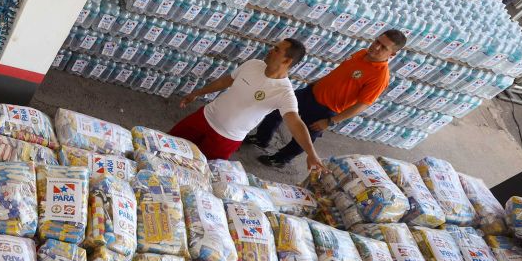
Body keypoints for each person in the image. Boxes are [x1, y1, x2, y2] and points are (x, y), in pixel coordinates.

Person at [250, 29, 408, 168]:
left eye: (383, 47)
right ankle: (261, 138)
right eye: (377, 41)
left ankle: (281, 159)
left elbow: (362, 105)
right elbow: (340, 73)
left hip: (325, 110)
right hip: (311, 92)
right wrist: (317, 82)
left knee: (303, 137)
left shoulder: (380, 77)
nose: (376, 47)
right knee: (277, 109)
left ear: (392, 54)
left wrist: (331, 121)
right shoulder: (361, 53)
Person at [169, 38, 323, 171]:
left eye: (276, 50)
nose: (270, 50)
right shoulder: (253, 64)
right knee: (168, 145)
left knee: (197, 169)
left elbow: (295, 123)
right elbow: (226, 81)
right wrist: (197, 93)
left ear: (287, 61)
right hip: (204, 117)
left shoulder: (284, 93)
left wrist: (311, 153)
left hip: (226, 139)